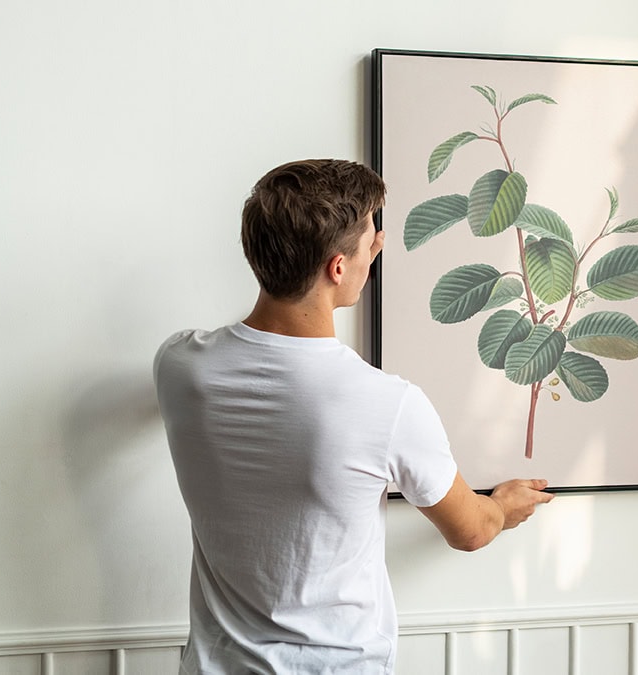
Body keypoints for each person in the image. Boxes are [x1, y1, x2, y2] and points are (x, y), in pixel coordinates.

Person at [154, 159, 553, 674]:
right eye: (370, 241)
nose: (377, 246)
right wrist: (501, 505)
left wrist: (346, 248)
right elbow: (470, 531)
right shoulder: (385, 403)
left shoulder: (180, 366)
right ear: (337, 267)